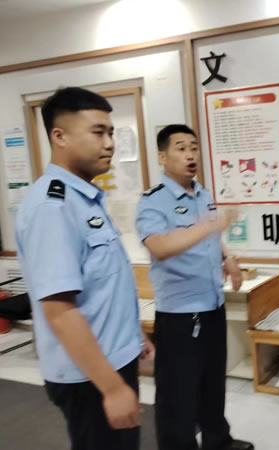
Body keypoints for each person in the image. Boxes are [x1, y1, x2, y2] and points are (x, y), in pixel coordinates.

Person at [16, 87, 154, 450]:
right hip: (88, 374)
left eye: (111, 133)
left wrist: (133, 336)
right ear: (59, 136)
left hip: (109, 358)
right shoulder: (52, 207)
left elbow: (101, 285)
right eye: (98, 132)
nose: (109, 144)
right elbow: (60, 311)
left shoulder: (84, 199)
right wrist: (111, 388)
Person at [135, 124, 253, 450]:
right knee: (177, 395)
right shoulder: (153, 201)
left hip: (212, 304)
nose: (190, 155)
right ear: (162, 156)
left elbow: (212, 238)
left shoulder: (203, 194)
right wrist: (208, 227)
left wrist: (229, 257)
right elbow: (159, 246)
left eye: (194, 147)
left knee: (212, 383)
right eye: (181, 148)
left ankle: (218, 441)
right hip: (180, 315)